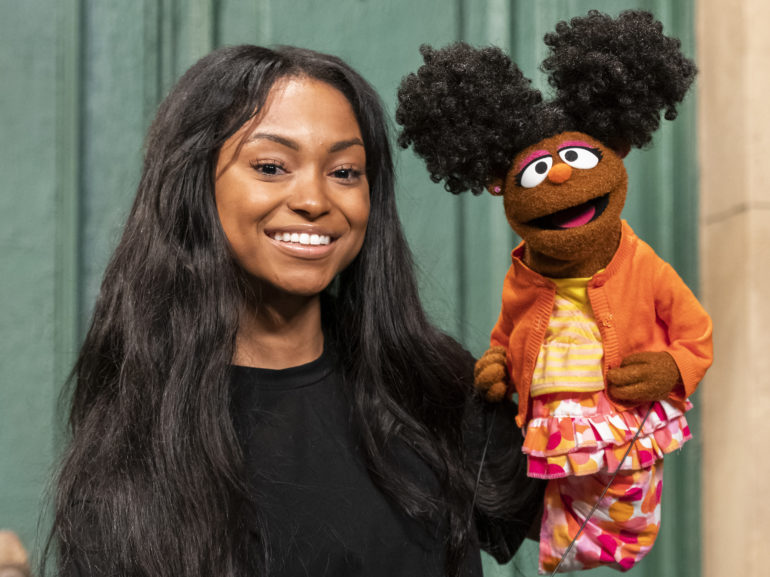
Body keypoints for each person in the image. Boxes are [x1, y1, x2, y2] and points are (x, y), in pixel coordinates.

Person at [45, 45, 544, 577]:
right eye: (271, 167)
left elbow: (598, 515)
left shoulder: (433, 388)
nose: (314, 199)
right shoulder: (140, 436)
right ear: (194, 187)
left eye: (346, 172)